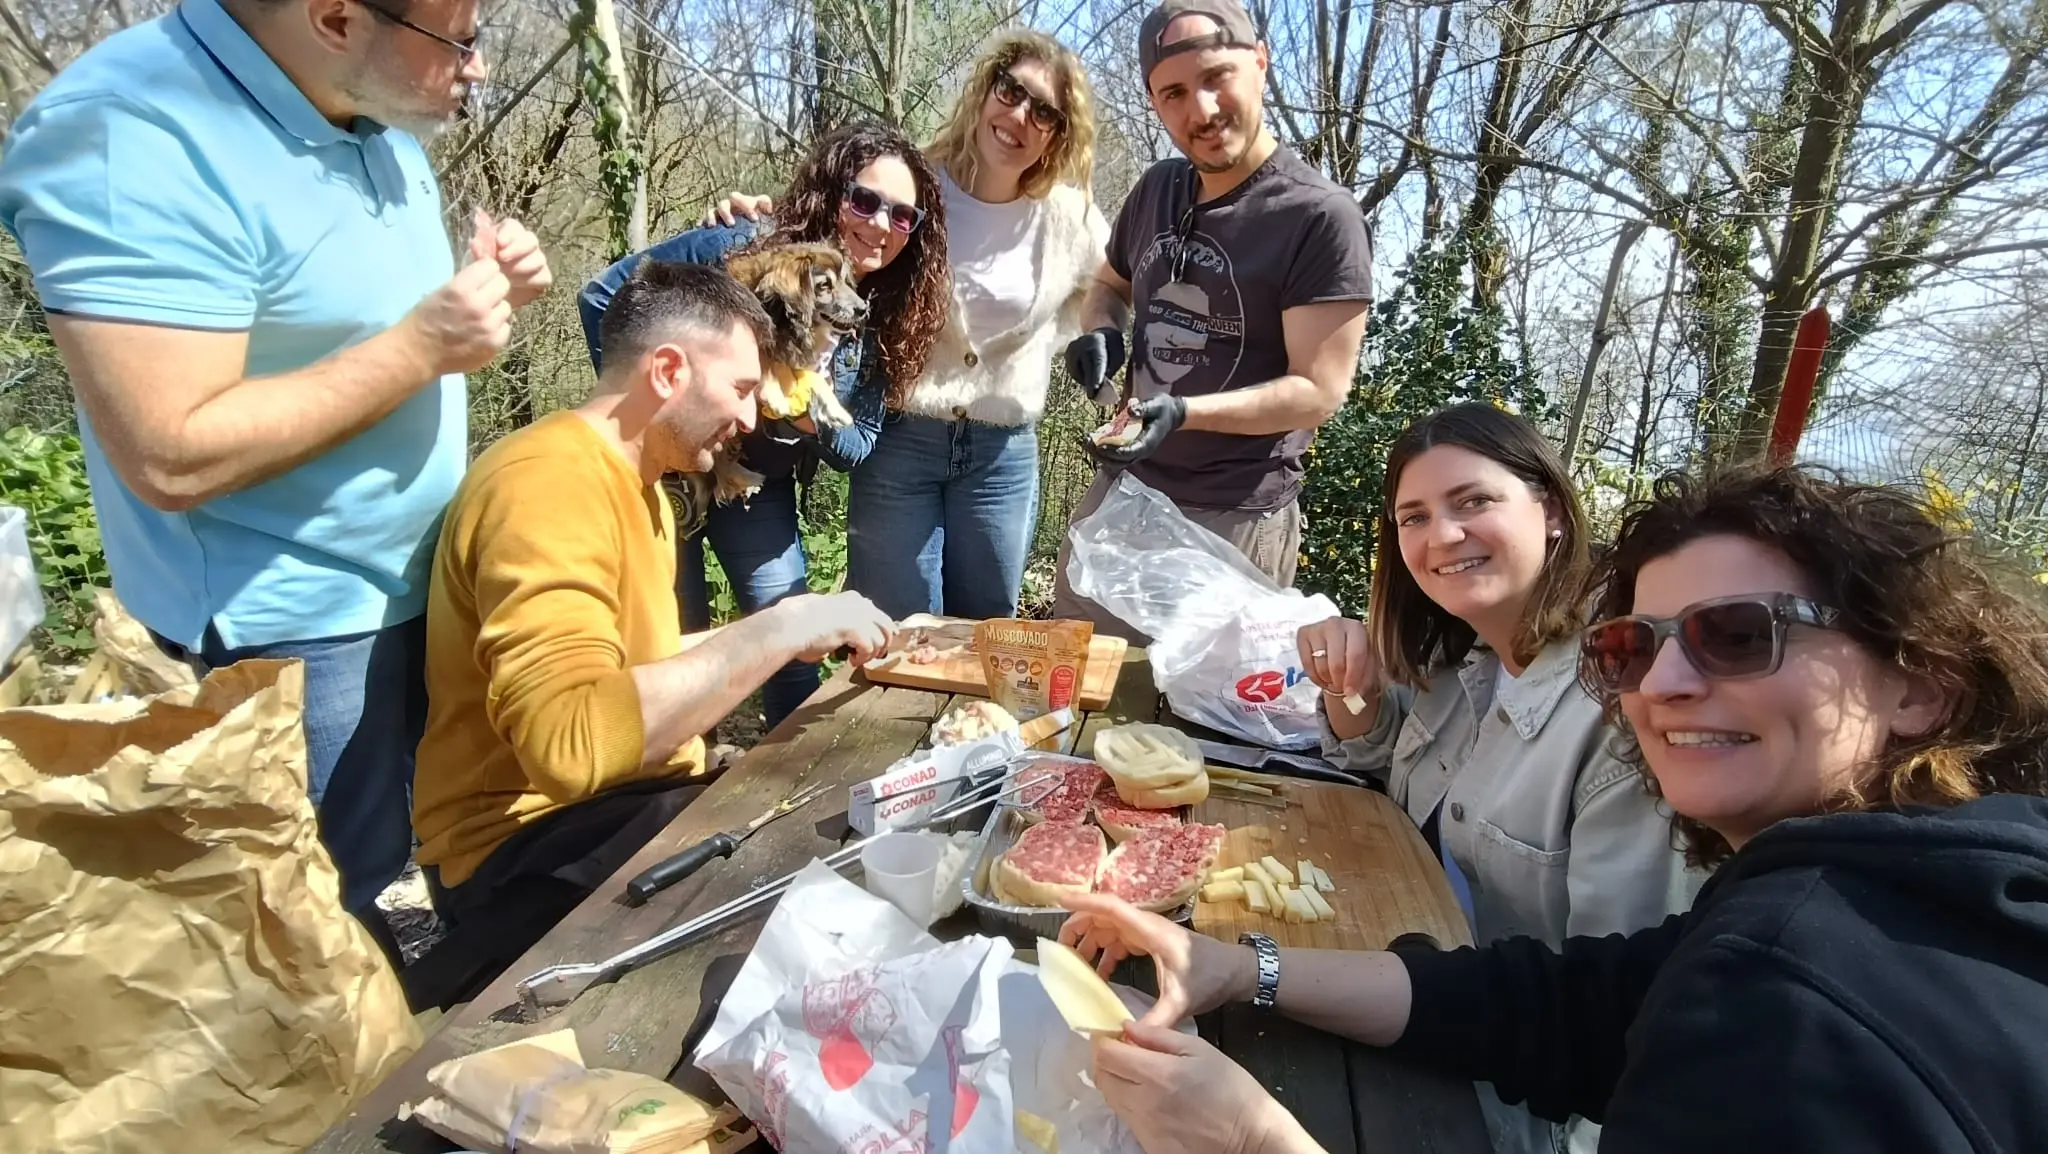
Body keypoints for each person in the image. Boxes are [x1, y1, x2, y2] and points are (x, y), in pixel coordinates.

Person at [1058, 465, 2048, 1154]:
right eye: (1631, 648)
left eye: (1737, 634)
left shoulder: (1798, 996)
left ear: (1921, 686)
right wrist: (1245, 964)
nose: (1662, 683)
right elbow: (1556, 1007)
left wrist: (1246, 1132)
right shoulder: (1882, 893)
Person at [0, 0, 552, 956]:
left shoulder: (375, 112)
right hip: (295, 628)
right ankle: (350, 1095)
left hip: (424, 582)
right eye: (458, 39)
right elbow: (172, 451)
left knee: (422, 849)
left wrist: (486, 290)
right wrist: (424, 345)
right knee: (309, 923)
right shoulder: (130, 131)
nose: (480, 66)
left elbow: (349, 323)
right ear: (335, 17)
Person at [410, 261, 895, 1005]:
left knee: (843, 821)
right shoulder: (547, 486)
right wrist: (777, 627)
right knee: (816, 898)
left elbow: (643, 668)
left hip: (617, 808)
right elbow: (570, 746)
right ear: (667, 370)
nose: (751, 417)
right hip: (520, 852)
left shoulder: (646, 491)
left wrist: (794, 633)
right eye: (738, 389)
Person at [1296, 403, 1697, 1153]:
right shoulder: (1463, 658)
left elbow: (1616, 1015)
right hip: (1406, 1000)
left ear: (1549, 509)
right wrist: (1343, 677)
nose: (1441, 535)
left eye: (1472, 502)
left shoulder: (1624, 715)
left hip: (1506, 1108)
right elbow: (1375, 763)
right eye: (1412, 517)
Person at [707, 30, 1108, 619]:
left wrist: (1108, 345)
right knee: (893, 630)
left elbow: (1119, 287)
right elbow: (834, 233)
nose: (1019, 115)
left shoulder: (1069, 218)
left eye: (1044, 111)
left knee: (986, 633)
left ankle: (974, 721)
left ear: (1059, 134)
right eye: (1011, 90)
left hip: (1002, 457)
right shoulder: (918, 187)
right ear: (985, 90)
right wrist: (752, 217)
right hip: (901, 441)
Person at [579, 121, 948, 730]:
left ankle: (781, 791)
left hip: (756, 486)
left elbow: (856, 447)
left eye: (903, 216)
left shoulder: (876, 322)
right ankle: (684, 785)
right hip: (671, 475)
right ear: (833, 194)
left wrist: (800, 406)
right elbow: (603, 297)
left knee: (793, 637)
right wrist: (659, 413)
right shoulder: (741, 250)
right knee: (674, 638)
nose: (880, 224)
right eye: (865, 200)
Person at [1049, 0, 1375, 640]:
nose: (1200, 109)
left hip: (1235, 516)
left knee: (1199, 723)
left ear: (1260, 63)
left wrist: (1184, 412)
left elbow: (1319, 391)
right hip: (1124, 494)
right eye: (1174, 92)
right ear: (1154, 101)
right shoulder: (1158, 189)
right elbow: (1109, 285)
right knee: (1077, 686)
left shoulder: (1319, 217)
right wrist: (1103, 331)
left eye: (1216, 77)